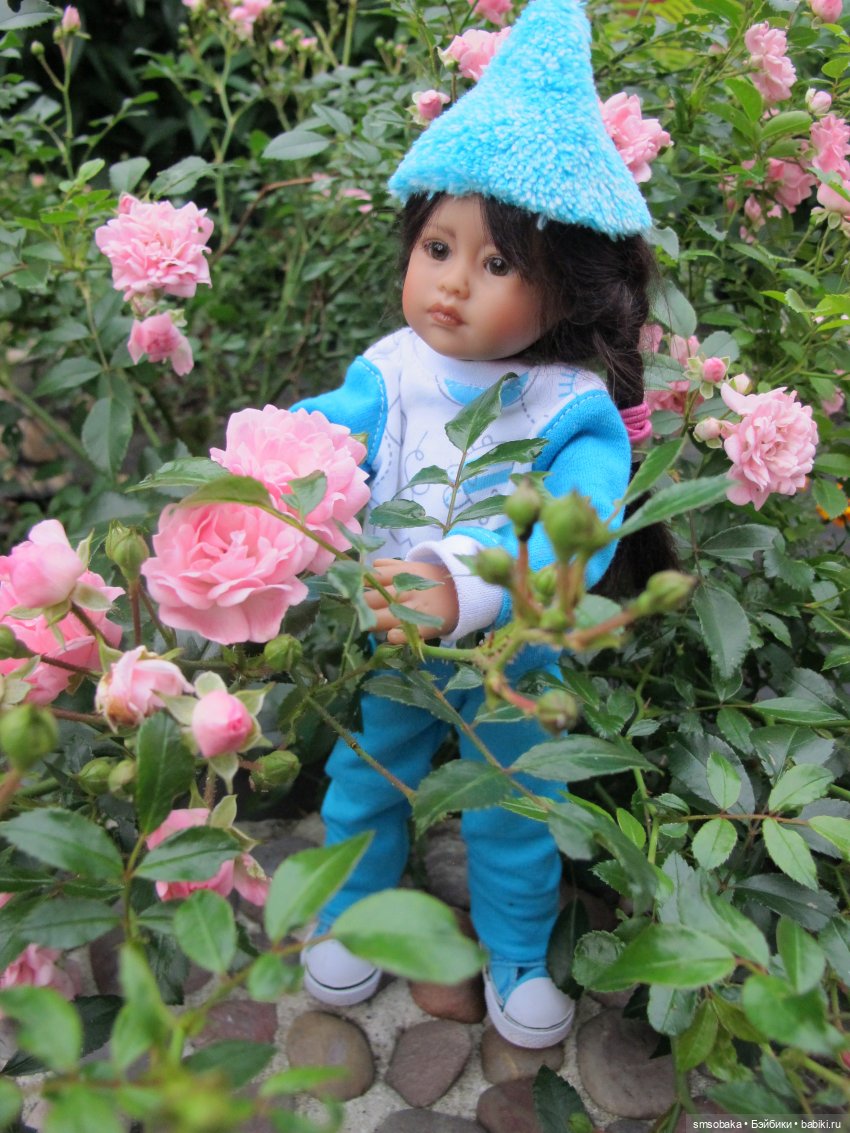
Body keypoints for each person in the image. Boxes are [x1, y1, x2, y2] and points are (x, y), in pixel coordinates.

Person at [294, 0, 673, 1048]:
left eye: (499, 264)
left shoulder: (570, 408)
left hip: (514, 651)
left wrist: (466, 583)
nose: (453, 284)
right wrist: (264, 473)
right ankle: (359, 915)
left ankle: (515, 951)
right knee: (365, 779)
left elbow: (576, 527)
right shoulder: (390, 371)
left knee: (514, 802)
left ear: (568, 290)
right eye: (437, 246)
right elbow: (323, 438)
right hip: (392, 636)